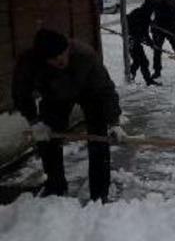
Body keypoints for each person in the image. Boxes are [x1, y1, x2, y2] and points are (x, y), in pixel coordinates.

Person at [12, 29, 126, 202]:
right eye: (53, 58)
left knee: (99, 138)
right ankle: (55, 186)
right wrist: (34, 122)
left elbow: (105, 90)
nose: (59, 60)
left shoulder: (85, 55)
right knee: (47, 139)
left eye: (62, 54)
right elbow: (21, 93)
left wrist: (114, 122)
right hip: (54, 95)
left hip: (90, 92)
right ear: (44, 59)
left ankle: (100, 192)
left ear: (68, 49)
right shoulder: (29, 62)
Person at [128, 0, 160, 87]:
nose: (154, 11)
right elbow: (144, 33)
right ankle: (144, 80)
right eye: (153, 8)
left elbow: (144, 33)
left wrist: (151, 44)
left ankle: (131, 76)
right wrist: (151, 44)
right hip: (131, 40)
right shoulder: (141, 14)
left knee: (138, 61)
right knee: (142, 61)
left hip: (135, 40)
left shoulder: (143, 13)